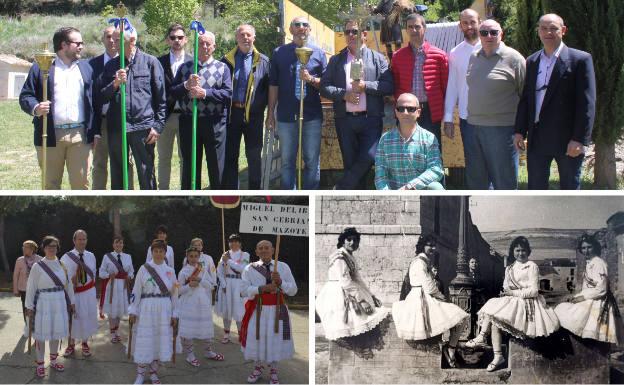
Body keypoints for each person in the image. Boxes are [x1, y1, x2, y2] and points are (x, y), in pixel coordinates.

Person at [514, 14, 596, 190]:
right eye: (543, 28)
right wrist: (519, 131)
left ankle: (570, 219)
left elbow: (587, 103)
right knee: (535, 189)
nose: (548, 32)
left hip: (568, 140)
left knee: (569, 190)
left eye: (553, 28)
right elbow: (526, 98)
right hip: (537, 138)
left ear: (563, 30)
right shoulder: (532, 60)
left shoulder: (580, 60)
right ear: (538, 31)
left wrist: (579, 139)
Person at [466, 236, 559, 372]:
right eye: (517, 250)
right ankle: (493, 350)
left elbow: (533, 291)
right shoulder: (509, 268)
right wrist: (506, 293)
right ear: (513, 252)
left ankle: (487, 343)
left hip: (527, 302)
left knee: (495, 316)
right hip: (513, 300)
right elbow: (505, 287)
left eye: (523, 250)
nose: (520, 253)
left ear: (528, 251)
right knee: (494, 311)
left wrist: (514, 293)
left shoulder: (532, 266)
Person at [320, 19, 394, 189]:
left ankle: (342, 187)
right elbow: (324, 88)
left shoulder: (378, 59)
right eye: (347, 32)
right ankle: (356, 196)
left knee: (369, 156)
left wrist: (365, 86)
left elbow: (388, 86)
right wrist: (343, 94)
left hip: (370, 119)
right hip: (345, 120)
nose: (351, 35)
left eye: (355, 31)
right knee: (350, 162)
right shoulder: (336, 60)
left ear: (364, 35)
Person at [19, 26, 96, 190]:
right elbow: (26, 96)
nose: (82, 46)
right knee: (50, 186)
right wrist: (36, 107)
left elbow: (94, 102)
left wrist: (94, 132)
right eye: (78, 43)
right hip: (50, 135)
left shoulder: (86, 68)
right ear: (64, 45)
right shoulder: (42, 67)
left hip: (80, 136)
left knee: (81, 185)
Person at [100, 26, 166, 190]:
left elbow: (161, 99)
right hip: (117, 127)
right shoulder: (111, 66)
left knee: (146, 172)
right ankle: (120, 211)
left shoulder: (151, 62)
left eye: (118, 40)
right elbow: (101, 96)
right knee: (118, 174)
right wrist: (115, 83)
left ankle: (149, 209)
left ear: (132, 40)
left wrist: (157, 127)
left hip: (142, 126)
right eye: (112, 40)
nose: (113, 44)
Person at [266, 16, 327, 190]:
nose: (301, 28)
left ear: (309, 30)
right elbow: (273, 85)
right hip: (286, 116)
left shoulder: (319, 53)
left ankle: (310, 199)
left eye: (305, 25)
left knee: (312, 160)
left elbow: (327, 84)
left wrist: (311, 79)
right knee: (287, 161)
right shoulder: (279, 53)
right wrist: (270, 113)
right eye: (297, 25)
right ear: (291, 29)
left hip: (312, 116)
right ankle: (290, 199)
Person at [392, 234, 469, 368]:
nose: (433, 248)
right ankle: (450, 348)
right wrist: (441, 296)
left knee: (459, 317)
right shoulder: (420, 262)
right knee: (461, 316)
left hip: (423, 296)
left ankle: (450, 348)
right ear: (422, 245)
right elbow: (428, 286)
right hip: (421, 298)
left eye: (434, 245)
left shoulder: (422, 261)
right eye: (429, 245)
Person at [466, 19, 525, 190]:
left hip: (502, 129)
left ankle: (508, 214)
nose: (489, 36)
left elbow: (524, 95)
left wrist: (521, 130)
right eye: (484, 33)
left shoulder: (514, 59)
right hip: (473, 126)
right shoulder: (474, 56)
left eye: (494, 32)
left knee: (504, 181)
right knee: (477, 181)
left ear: (502, 34)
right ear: (479, 35)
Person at [171, 31, 232, 189]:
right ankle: (190, 199)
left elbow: (227, 94)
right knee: (190, 165)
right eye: (200, 43)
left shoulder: (222, 68)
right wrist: (186, 85)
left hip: (214, 122)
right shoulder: (186, 68)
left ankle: (218, 200)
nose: (204, 46)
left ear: (214, 47)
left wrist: (204, 93)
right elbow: (173, 92)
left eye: (207, 44)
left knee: (216, 165)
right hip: (189, 121)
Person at [240, 240, 297, 384]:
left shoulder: (283, 267)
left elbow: (293, 290)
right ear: (256, 251)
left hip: (278, 308)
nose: (264, 250)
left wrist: (281, 282)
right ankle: (257, 368)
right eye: (261, 248)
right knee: (257, 337)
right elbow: (243, 291)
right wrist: (261, 288)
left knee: (275, 338)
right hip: (258, 308)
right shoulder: (249, 268)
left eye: (267, 248)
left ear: (273, 250)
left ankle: (273, 371)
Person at [316, 227, 389, 340]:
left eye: (355, 240)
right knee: (350, 322)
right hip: (338, 291)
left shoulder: (349, 256)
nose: (352, 243)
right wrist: (362, 301)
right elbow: (345, 282)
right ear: (343, 241)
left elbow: (357, 278)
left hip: (349, 287)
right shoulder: (340, 257)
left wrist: (371, 296)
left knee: (368, 316)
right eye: (349, 239)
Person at [221, 24, 270, 190]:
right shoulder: (225, 61)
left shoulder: (263, 61)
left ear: (254, 38)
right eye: (242, 35)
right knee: (230, 156)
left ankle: (254, 193)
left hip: (254, 117)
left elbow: (269, 89)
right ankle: (231, 193)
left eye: (249, 35)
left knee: (254, 156)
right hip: (231, 115)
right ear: (237, 38)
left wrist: (267, 111)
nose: (245, 38)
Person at [555, 234, 623, 345]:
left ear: (595, 247)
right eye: (583, 248)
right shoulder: (590, 263)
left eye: (589, 247)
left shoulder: (599, 263)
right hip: (590, 296)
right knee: (563, 307)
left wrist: (582, 297)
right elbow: (587, 287)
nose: (586, 250)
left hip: (598, 299)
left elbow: (601, 289)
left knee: (566, 312)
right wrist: (577, 296)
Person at [391, 13, 448, 144]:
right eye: (410, 27)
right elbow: (395, 83)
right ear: (406, 30)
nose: (413, 30)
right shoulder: (397, 56)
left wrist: (445, 112)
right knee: (406, 149)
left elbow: (445, 87)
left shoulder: (439, 55)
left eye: (417, 26)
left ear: (424, 28)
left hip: (430, 110)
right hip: (406, 111)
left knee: (432, 148)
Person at [128, 239, 179, 384]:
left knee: (158, 341)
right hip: (146, 309)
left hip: (164, 310)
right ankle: (140, 375)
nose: (158, 254)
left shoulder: (170, 271)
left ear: (165, 253)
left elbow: (175, 293)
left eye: (161, 251)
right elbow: (136, 291)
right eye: (155, 251)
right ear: (151, 252)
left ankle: (154, 373)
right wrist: (133, 310)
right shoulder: (144, 268)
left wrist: (175, 313)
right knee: (146, 340)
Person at [90, 25, 134, 189]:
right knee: (99, 162)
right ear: (102, 39)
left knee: (125, 162)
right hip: (101, 121)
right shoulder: (93, 64)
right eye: (107, 37)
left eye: (115, 38)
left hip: (122, 121)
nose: (111, 41)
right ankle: (98, 196)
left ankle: (127, 193)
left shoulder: (130, 62)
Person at [25, 236, 75, 378]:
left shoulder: (63, 265)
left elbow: (68, 285)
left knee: (56, 333)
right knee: (41, 334)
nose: (51, 248)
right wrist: (29, 306)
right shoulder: (37, 266)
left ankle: (53, 361)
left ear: (57, 248)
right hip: (43, 303)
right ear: (44, 248)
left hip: (59, 302)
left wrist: (72, 302)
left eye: (54, 246)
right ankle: (40, 364)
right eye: (49, 246)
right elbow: (31, 287)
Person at [443, 9, 482, 188]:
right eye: (465, 23)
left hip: (493, 119)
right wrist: (449, 118)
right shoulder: (455, 52)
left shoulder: (492, 46)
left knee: (494, 162)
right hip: (468, 119)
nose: (469, 26)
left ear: (480, 22)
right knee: (473, 164)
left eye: (472, 22)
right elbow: (452, 86)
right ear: (460, 26)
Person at [375, 93, 444, 190]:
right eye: (401, 109)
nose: (405, 113)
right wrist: (389, 196)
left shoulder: (429, 138)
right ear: (396, 112)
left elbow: (436, 170)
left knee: (436, 188)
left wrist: (409, 187)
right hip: (394, 193)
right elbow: (380, 176)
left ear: (418, 112)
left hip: (420, 191)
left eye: (411, 109)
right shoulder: (385, 140)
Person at [157, 24, 191, 190]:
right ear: (167, 40)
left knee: (185, 157)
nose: (176, 40)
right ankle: (162, 191)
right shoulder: (158, 62)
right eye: (173, 37)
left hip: (187, 115)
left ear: (185, 39)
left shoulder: (194, 61)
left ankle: (185, 191)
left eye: (180, 37)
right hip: (165, 116)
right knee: (164, 157)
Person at [178, 247, 223, 367]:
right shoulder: (183, 272)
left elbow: (211, 286)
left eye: (195, 256)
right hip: (188, 303)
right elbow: (179, 291)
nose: (193, 258)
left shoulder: (202, 270)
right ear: (187, 257)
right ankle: (190, 355)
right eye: (191, 256)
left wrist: (200, 280)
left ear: (199, 257)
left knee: (205, 327)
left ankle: (208, 351)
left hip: (202, 301)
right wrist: (189, 286)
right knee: (188, 330)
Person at [59, 229, 98, 358]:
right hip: (74, 293)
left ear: (86, 240)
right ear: (74, 240)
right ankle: (71, 344)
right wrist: (72, 280)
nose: (82, 241)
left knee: (86, 317)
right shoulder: (66, 257)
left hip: (88, 292)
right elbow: (61, 278)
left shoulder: (91, 256)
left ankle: (85, 343)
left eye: (84, 239)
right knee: (73, 319)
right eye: (79, 239)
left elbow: (94, 275)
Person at [98, 235, 134, 343]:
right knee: (111, 309)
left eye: (121, 242)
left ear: (123, 244)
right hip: (111, 286)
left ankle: (117, 331)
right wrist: (109, 275)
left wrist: (129, 276)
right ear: (113, 244)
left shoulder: (128, 256)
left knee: (119, 310)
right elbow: (101, 272)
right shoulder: (107, 256)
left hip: (123, 286)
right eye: (116, 242)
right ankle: (112, 333)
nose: (119, 244)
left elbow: (132, 271)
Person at [216, 233, 250, 343]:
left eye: (236, 241)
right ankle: (226, 334)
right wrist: (223, 284)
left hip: (239, 283)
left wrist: (228, 261)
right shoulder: (225, 254)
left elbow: (243, 269)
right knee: (227, 309)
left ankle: (241, 333)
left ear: (240, 243)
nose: (234, 243)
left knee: (239, 309)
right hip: (227, 283)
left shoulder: (245, 255)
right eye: (231, 241)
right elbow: (219, 271)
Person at [13, 240, 42, 326]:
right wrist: (15, 290)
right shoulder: (20, 260)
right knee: (26, 308)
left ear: (32, 249)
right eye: (23, 247)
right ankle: (28, 326)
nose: (23, 249)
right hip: (24, 289)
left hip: (36, 290)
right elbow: (15, 276)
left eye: (25, 247)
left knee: (37, 308)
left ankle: (36, 326)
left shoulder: (40, 259)